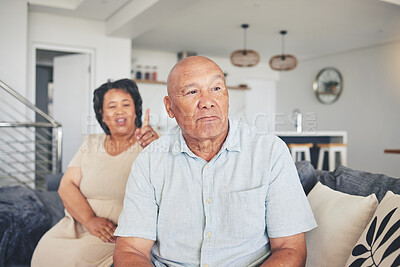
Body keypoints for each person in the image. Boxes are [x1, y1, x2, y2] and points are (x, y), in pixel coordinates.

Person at [113, 57, 317, 267]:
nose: (207, 101)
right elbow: (131, 249)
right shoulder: (150, 161)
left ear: (227, 96)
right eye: (192, 92)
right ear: (169, 107)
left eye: (216, 88)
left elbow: (290, 249)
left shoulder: (270, 152)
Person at [31, 79, 158, 267]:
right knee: (45, 249)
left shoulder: (152, 143)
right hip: (79, 225)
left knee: (77, 259)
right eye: (112, 106)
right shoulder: (91, 142)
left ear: (135, 110)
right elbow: (67, 185)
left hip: (119, 235)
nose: (120, 111)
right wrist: (90, 221)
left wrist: (155, 147)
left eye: (126, 104)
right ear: (102, 114)